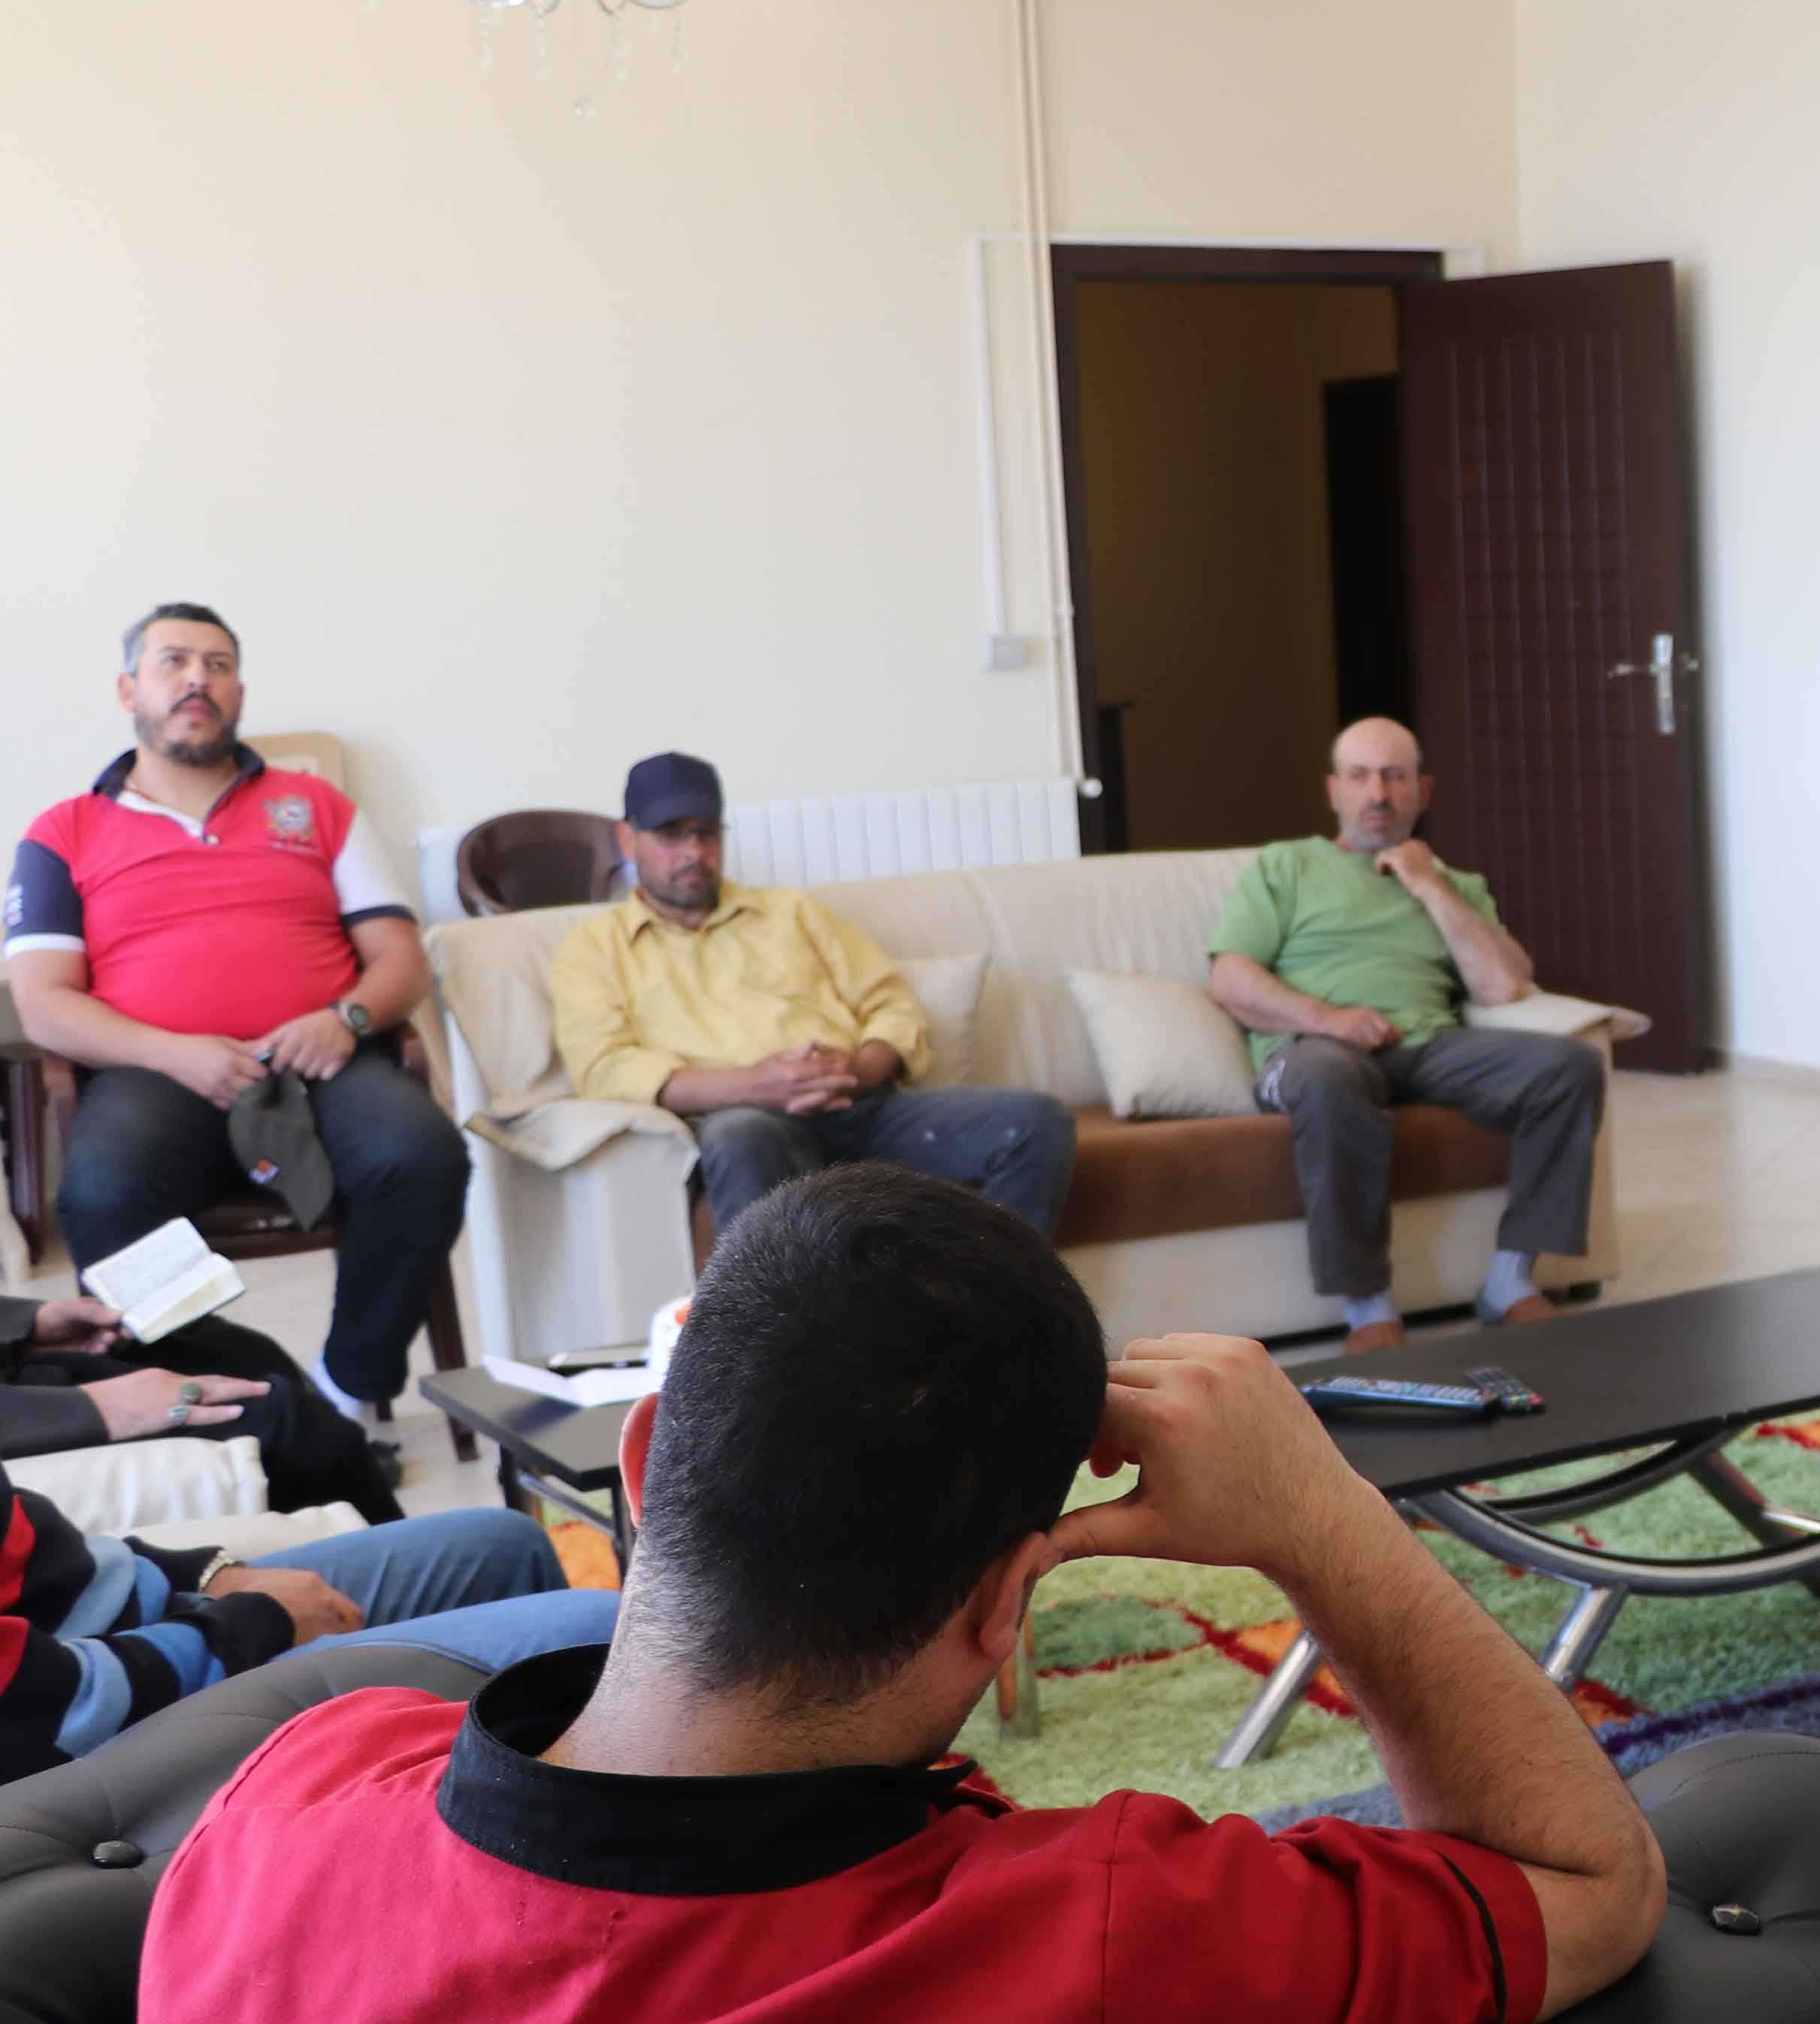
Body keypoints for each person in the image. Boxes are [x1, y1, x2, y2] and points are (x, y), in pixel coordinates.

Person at [138, 1166, 1666, 2024]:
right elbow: (1591, 1882)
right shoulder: (1113, 1953)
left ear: (646, 1464)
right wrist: (1323, 1517)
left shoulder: (282, 1810)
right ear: (1007, 1604)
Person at [6, 603, 470, 1446]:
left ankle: (344, 1392)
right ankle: (233, 1411)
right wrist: (175, 1054)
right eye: (174, 661)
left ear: (239, 693)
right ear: (128, 690)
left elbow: (401, 959)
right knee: (103, 1196)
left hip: (320, 1058)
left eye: (217, 664)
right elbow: (42, 1001)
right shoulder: (63, 831)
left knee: (422, 1156)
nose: (197, 679)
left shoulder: (317, 807)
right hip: (153, 1071)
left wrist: (346, 1017)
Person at [549, 753, 1078, 1239]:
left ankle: (983, 1304)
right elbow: (605, 1068)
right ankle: (778, 1317)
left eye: (706, 833)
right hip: (750, 1122)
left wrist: (859, 1068)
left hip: (861, 1105)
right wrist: (757, 1085)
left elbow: (891, 1004)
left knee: (1037, 1122)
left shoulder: (792, 912)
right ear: (628, 840)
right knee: (738, 1137)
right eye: (671, 835)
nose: (694, 852)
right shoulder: (594, 948)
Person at [1208, 718, 1606, 1354]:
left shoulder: (1455, 885)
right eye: (1361, 776)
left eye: (1395, 777)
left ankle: (1510, 1281)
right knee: (1330, 1079)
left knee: (1569, 1067)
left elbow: (1504, 987)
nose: (1378, 794)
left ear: (1423, 791)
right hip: (1316, 1050)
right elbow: (1229, 977)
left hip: (1428, 1046)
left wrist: (1427, 884)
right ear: (1334, 790)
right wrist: (1327, 1019)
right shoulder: (1287, 865)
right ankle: (1368, 1308)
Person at [3, 1487, 587, 1783]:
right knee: (588, 1628)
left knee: (504, 1542)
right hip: (104, 1713)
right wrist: (258, 1621)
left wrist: (203, 1572)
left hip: (131, 1627)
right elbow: (47, 1707)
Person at [3, 1286, 409, 1518]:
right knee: (291, 1424)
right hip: (23, 1420)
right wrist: (94, 1408)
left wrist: (24, 1322)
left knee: (234, 1351)